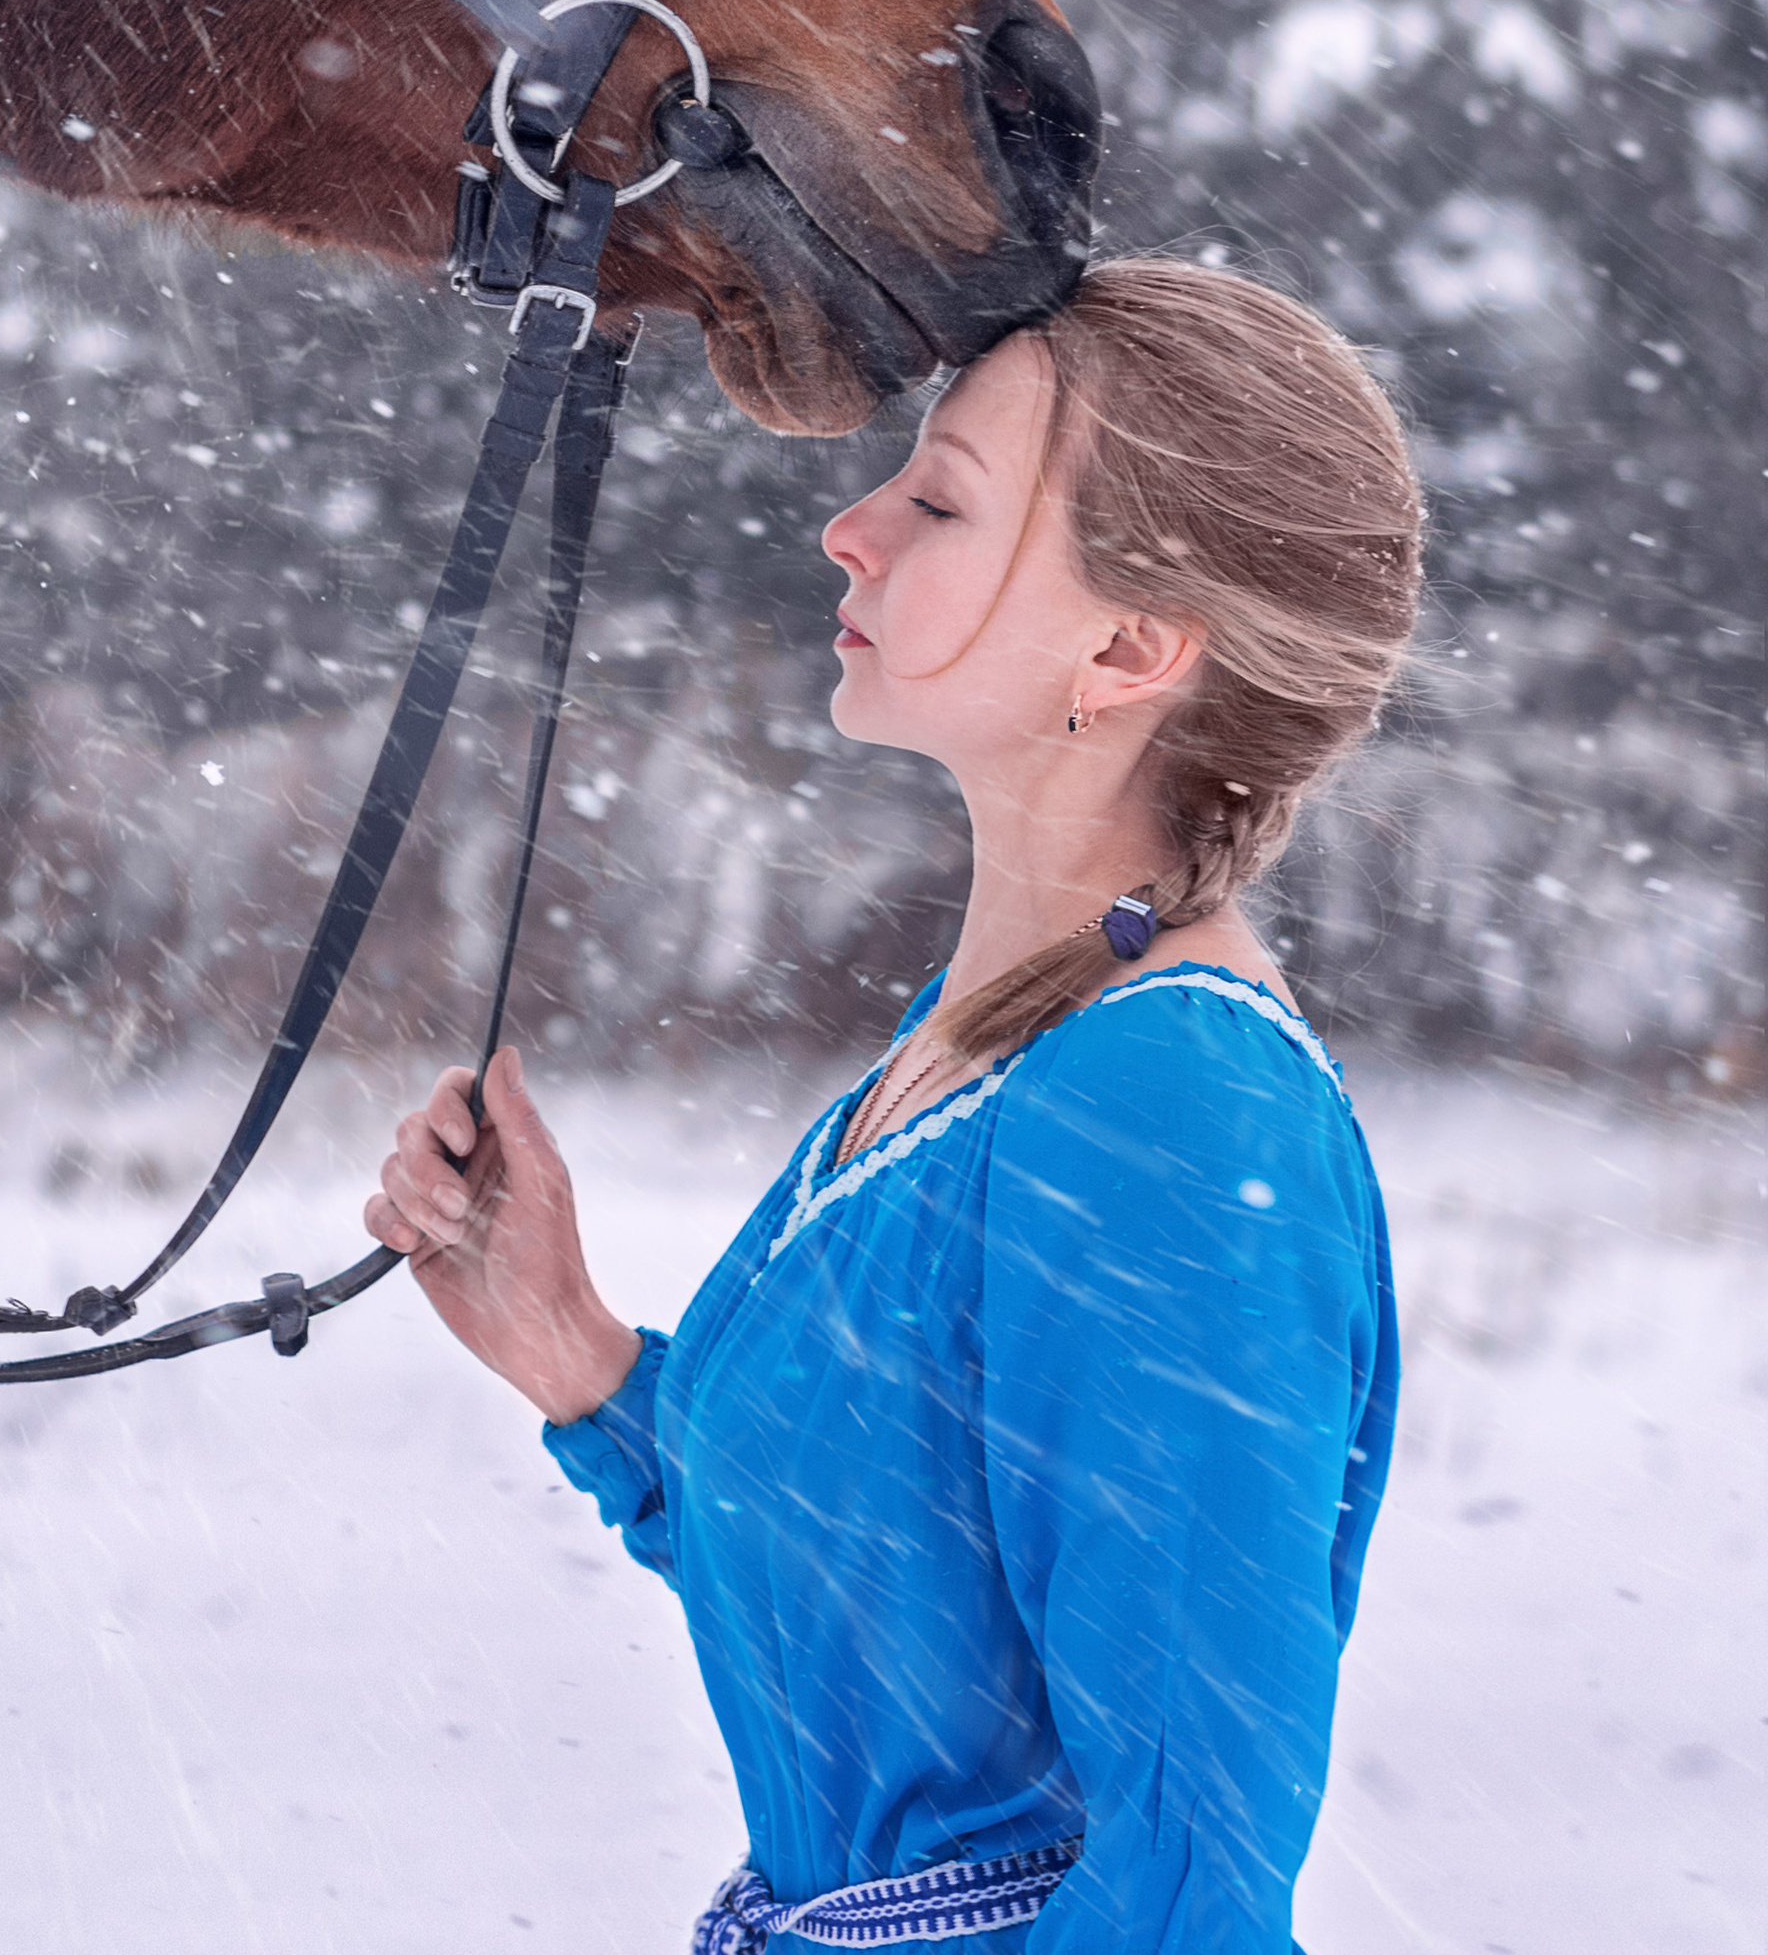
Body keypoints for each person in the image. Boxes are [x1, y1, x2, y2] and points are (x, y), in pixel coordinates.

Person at [364, 257, 1426, 1953]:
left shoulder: (1171, 1103)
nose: (849, 530)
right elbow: (903, 1632)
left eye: (940, 500)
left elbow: (1189, 1877)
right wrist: (580, 1357)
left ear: (1134, 647)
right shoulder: (991, 1038)